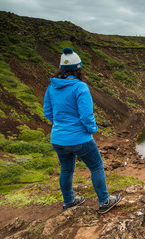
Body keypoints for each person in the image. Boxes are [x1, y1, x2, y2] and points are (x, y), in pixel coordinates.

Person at [44, 47, 120, 214]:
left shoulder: (52, 87)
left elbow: (47, 112)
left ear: (61, 69)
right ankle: (104, 201)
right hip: (79, 139)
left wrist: (61, 125)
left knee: (66, 169)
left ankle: (69, 201)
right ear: (79, 68)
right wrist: (92, 129)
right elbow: (86, 115)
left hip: (57, 138)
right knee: (96, 166)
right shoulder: (80, 87)